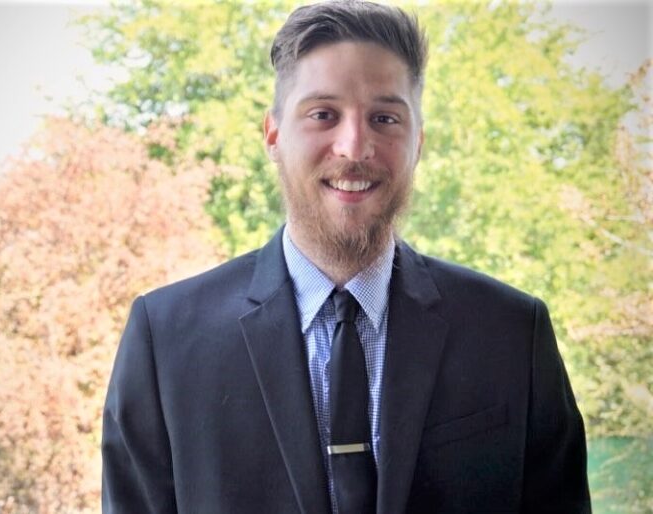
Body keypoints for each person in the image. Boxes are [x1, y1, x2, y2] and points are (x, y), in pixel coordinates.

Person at [101, 1, 591, 513]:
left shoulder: (511, 333)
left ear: (417, 142)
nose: (355, 146)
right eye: (323, 114)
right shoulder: (166, 340)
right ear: (273, 134)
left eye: (384, 118)